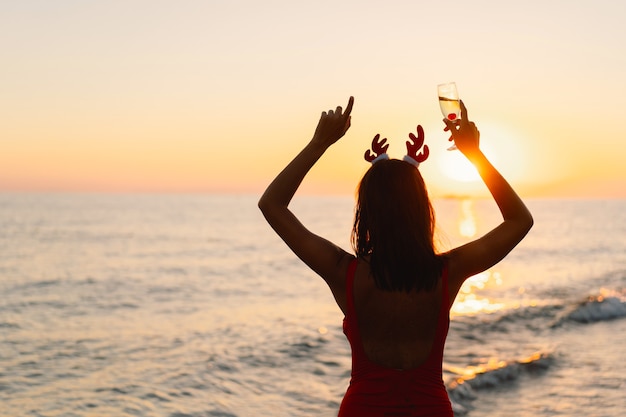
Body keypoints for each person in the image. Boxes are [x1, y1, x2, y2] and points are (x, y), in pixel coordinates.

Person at [258, 96, 533, 416]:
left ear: (367, 212)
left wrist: (320, 143)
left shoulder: (342, 271)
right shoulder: (448, 271)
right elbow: (519, 220)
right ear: (422, 209)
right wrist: (474, 153)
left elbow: (273, 205)